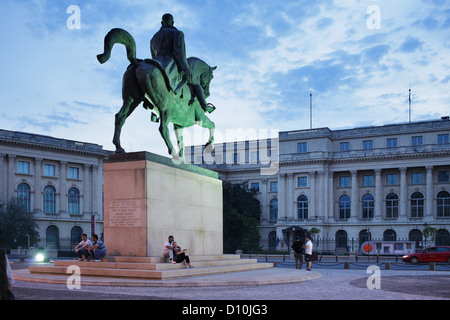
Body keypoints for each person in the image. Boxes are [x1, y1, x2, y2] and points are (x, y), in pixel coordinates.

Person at [150, 13, 214, 113]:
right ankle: (205, 106)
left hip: (156, 65)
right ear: (173, 22)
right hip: (171, 65)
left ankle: (154, 113)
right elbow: (179, 52)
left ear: (162, 23)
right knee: (195, 83)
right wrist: (186, 68)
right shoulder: (177, 33)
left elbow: (153, 57)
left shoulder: (153, 38)